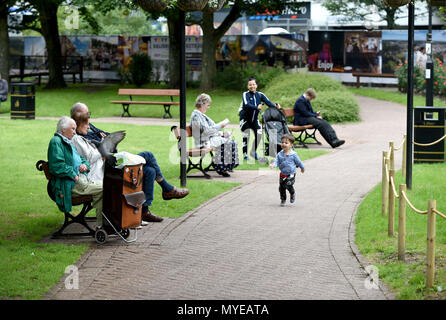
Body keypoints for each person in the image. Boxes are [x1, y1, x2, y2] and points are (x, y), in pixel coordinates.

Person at [70, 103, 190, 223]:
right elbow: (96, 150)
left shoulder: (89, 127)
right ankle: (167, 189)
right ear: (78, 118)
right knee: (148, 155)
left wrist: (106, 142)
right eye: (86, 115)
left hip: (110, 161)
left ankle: (144, 211)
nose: (89, 118)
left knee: (149, 171)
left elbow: (108, 137)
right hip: (106, 169)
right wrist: (104, 144)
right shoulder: (78, 136)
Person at [47, 116, 103, 226]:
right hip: (69, 185)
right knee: (104, 189)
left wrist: (85, 165)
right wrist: (75, 176)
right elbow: (57, 166)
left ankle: (108, 223)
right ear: (63, 129)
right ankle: (102, 226)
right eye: (72, 129)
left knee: (109, 186)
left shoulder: (68, 141)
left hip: (81, 180)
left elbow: (82, 159)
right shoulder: (56, 142)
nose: (74, 132)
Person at [191, 93, 239, 177]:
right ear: (202, 104)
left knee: (231, 141)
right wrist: (221, 125)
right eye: (208, 105)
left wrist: (223, 133)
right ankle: (221, 168)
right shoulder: (196, 116)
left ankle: (224, 166)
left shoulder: (201, 115)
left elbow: (210, 130)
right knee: (229, 143)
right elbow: (207, 131)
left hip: (209, 138)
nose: (208, 107)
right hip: (203, 141)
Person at [240, 77, 280, 161]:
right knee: (246, 136)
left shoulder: (260, 94)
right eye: (250, 85)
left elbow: (268, 103)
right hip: (245, 119)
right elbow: (246, 104)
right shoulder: (245, 94)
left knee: (259, 134)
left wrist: (276, 107)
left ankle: (253, 151)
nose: (252, 86)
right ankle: (245, 155)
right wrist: (256, 107)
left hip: (254, 120)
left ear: (256, 85)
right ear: (248, 86)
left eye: (253, 84)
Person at [269, 134, 305, 207]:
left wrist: (302, 168)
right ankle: (283, 200)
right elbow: (277, 162)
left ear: (291, 145)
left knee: (288, 183)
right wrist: (273, 165)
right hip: (282, 174)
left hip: (291, 174)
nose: (283, 144)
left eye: (286, 143)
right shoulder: (279, 154)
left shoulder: (293, 154)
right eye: (282, 142)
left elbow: (299, 162)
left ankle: (292, 193)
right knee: (281, 188)